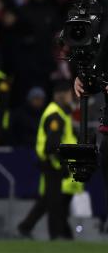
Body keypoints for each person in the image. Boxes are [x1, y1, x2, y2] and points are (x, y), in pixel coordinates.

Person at [17, 80, 82, 239]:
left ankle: (28, 226)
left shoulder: (58, 112)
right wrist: (63, 164)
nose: (70, 97)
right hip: (52, 163)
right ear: (62, 95)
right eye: (69, 94)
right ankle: (57, 234)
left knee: (50, 199)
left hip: (52, 162)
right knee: (55, 202)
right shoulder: (55, 115)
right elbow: (52, 145)